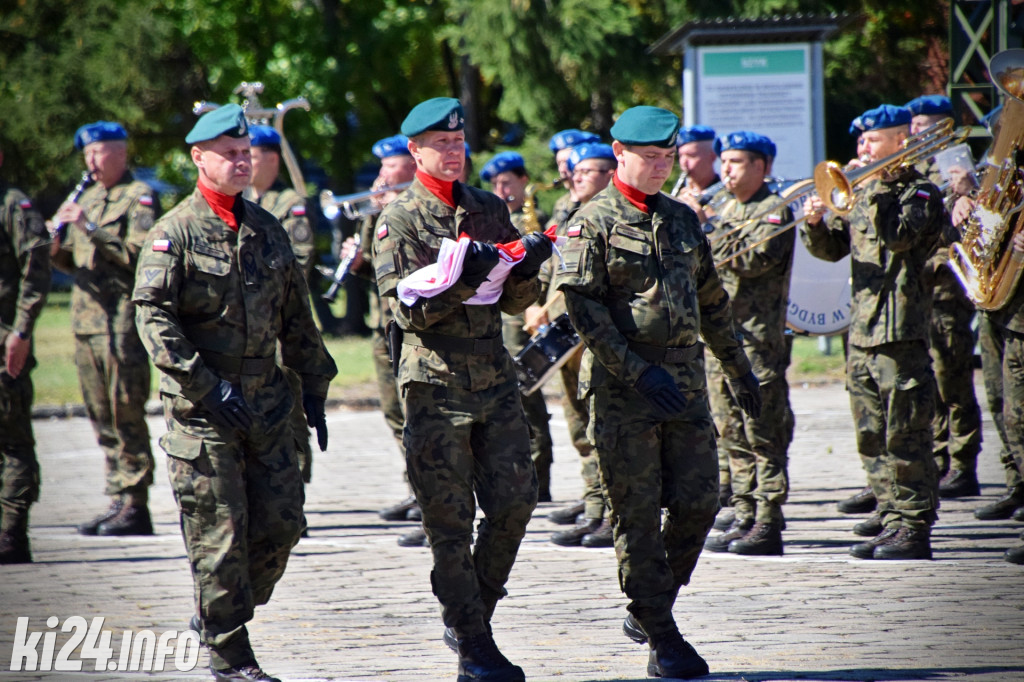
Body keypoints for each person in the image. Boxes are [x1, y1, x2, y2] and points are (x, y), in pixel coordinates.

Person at [132, 104, 337, 682]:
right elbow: (153, 318)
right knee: (218, 534)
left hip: (268, 404)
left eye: (247, 153)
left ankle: (220, 611)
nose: (242, 161)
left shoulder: (266, 227)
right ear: (199, 158)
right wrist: (204, 384)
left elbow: (297, 313)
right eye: (230, 153)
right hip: (204, 412)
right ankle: (230, 653)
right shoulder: (174, 234)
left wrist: (314, 386)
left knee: (281, 524)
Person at [554, 105, 759, 679]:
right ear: (619, 153)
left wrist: (739, 370)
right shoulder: (588, 220)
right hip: (625, 390)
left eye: (667, 157)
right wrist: (638, 372)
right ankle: (661, 634)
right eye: (649, 157)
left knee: (699, 501)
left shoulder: (682, 218)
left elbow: (712, 299)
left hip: (687, 386)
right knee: (637, 514)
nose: (660, 167)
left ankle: (652, 605)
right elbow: (583, 309)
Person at [372, 97, 551, 682]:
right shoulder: (399, 220)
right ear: (415, 151)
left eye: (458, 143)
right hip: (434, 384)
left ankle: (474, 612)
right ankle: (474, 643)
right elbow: (402, 312)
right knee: (449, 520)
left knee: (516, 502)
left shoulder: (488, 207)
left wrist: (527, 270)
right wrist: (460, 282)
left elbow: (512, 299)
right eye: (440, 145)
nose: (453, 152)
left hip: (495, 379)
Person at [802, 104, 943, 560]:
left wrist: (877, 189)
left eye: (872, 140)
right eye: (861, 140)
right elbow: (835, 251)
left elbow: (900, 238)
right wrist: (815, 225)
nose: (862, 148)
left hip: (899, 329)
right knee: (871, 434)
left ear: (900, 142)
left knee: (905, 432)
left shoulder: (920, 193)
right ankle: (890, 515)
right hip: (861, 329)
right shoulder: (862, 192)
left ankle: (914, 524)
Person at [50, 121, 159, 537]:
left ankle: (136, 502)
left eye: (98, 153)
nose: (91, 162)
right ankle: (117, 496)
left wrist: (89, 228)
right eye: (87, 155)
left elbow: (138, 255)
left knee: (125, 409)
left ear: (121, 153)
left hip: (121, 322)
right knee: (99, 414)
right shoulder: (88, 197)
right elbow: (69, 263)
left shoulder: (139, 197)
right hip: (86, 323)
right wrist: (55, 243)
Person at [702, 132, 794, 557]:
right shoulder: (724, 206)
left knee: (762, 434)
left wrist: (707, 223)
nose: (726, 170)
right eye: (724, 161)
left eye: (737, 162)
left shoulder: (773, 210)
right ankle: (743, 512)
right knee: (730, 433)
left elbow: (753, 260)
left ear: (762, 167)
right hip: (720, 340)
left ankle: (769, 518)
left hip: (757, 343)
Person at [534, 142, 619, 548]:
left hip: (595, 338)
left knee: (602, 428)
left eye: (586, 171)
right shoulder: (570, 212)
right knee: (580, 430)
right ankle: (595, 508)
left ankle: (611, 513)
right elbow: (553, 269)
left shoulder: (610, 216)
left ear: (608, 174)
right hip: (565, 335)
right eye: (574, 171)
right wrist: (539, 308)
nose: (575, 176)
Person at [339, 135, 422, 538]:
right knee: (394, 415)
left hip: (410, 326)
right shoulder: (379, 210)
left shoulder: (415, 206)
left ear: (410, 165)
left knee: (419, 415)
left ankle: (433, 496)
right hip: (381, 325)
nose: (381, 176)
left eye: (389, 166)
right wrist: (355, 255)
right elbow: (373, 263)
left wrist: (387, 212)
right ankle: (417, 488)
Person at [905, 95, 984, 501]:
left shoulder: (959, 163)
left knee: (952, 380)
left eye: (927, 125)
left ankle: (965, 463)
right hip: (916, 292)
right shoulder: (911, 168)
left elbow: (971, 228)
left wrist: (963, 192)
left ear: (946, 127)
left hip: (948, 290)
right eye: (915, 125)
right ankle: (936, 459)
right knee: (928, 384)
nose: (918, 132)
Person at [480, 151, 555, 502]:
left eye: (507, 181)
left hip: (529, 317)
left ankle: (541, 476)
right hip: (503, 319)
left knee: (528, 394)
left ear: (524, 181)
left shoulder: (535, 221)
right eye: (495, 184)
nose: (501, 188)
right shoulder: (493, 221)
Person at [246, 124, 317, 487]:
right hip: (247, 328)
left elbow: (300, 259)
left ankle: (294, 489)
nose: (244, 161)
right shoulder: (241, 202)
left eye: (252, 155)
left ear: (272, 159)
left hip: (281, 325)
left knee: (288, 412)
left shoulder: (289, 204)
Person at [0, 147, 51, 565]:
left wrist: (21, 330)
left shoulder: (13, 204)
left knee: (13, 441)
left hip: (4, 345)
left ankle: (11, 535)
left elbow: (35, 264)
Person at [547, 129, 600, 229]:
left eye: (567, 163)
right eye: (559, 163)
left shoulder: (596, 199)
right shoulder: (561, 203)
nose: (562, 169)